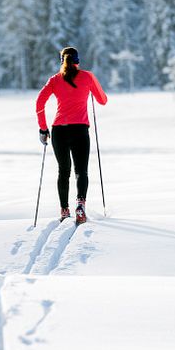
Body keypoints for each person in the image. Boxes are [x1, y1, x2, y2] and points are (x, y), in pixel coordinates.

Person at [35, 47, 108, 225]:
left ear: (62, 61)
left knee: (63, 171)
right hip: (80, 130)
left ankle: (64, 210)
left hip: (59, 131)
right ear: (78, 60)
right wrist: (89, 89)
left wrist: (43, 129)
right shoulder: (87, 76)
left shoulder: (55, 79)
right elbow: (103, 100)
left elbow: (39, 102)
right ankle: (80, 205)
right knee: (81, 171)